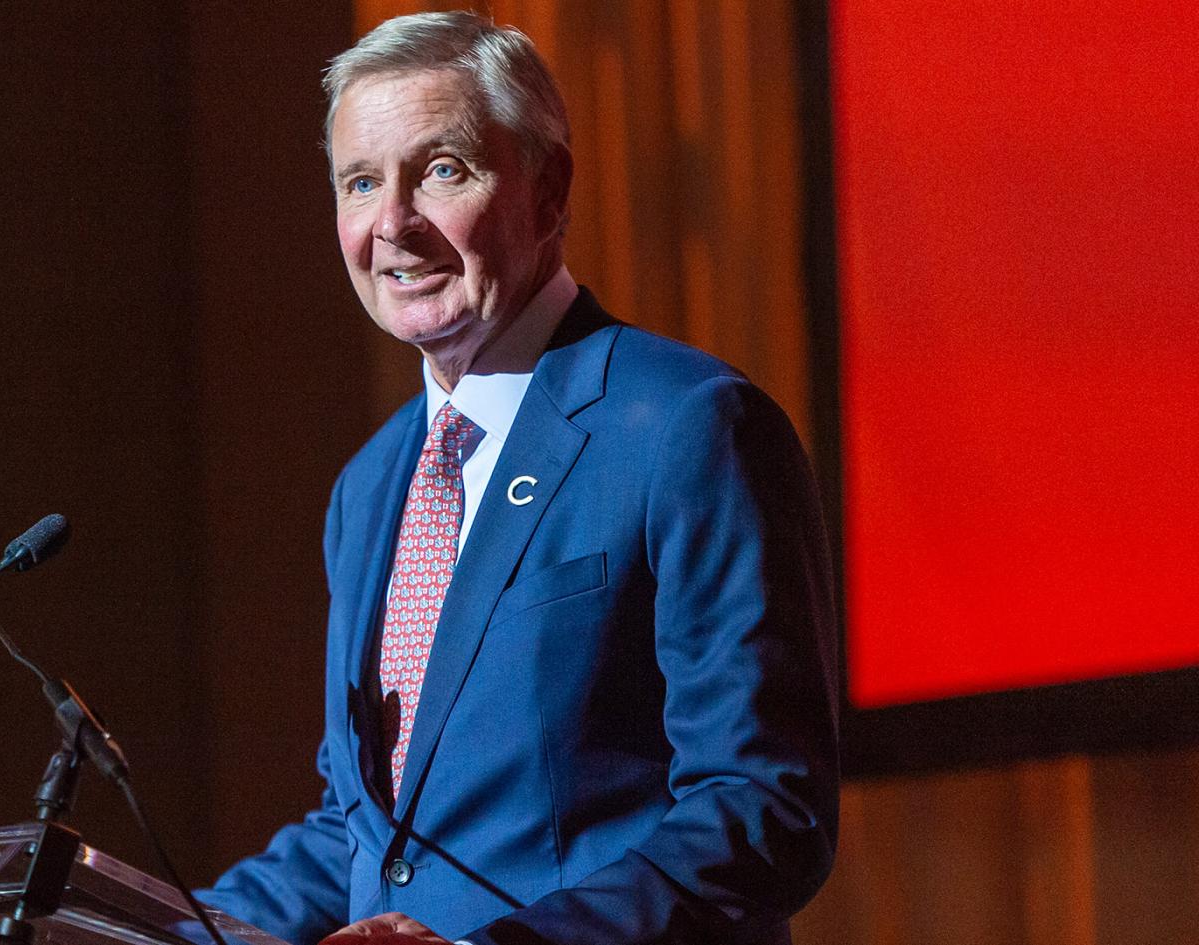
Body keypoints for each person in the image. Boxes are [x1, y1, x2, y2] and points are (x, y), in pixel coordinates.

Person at [197, 12, 839, 945]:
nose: (392, 225)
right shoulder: (371, 486)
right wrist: (144, 926)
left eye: (442, 171)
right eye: (362, 182)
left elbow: (763, 805)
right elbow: (365, 831)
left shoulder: (686, 427)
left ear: (548, 189)